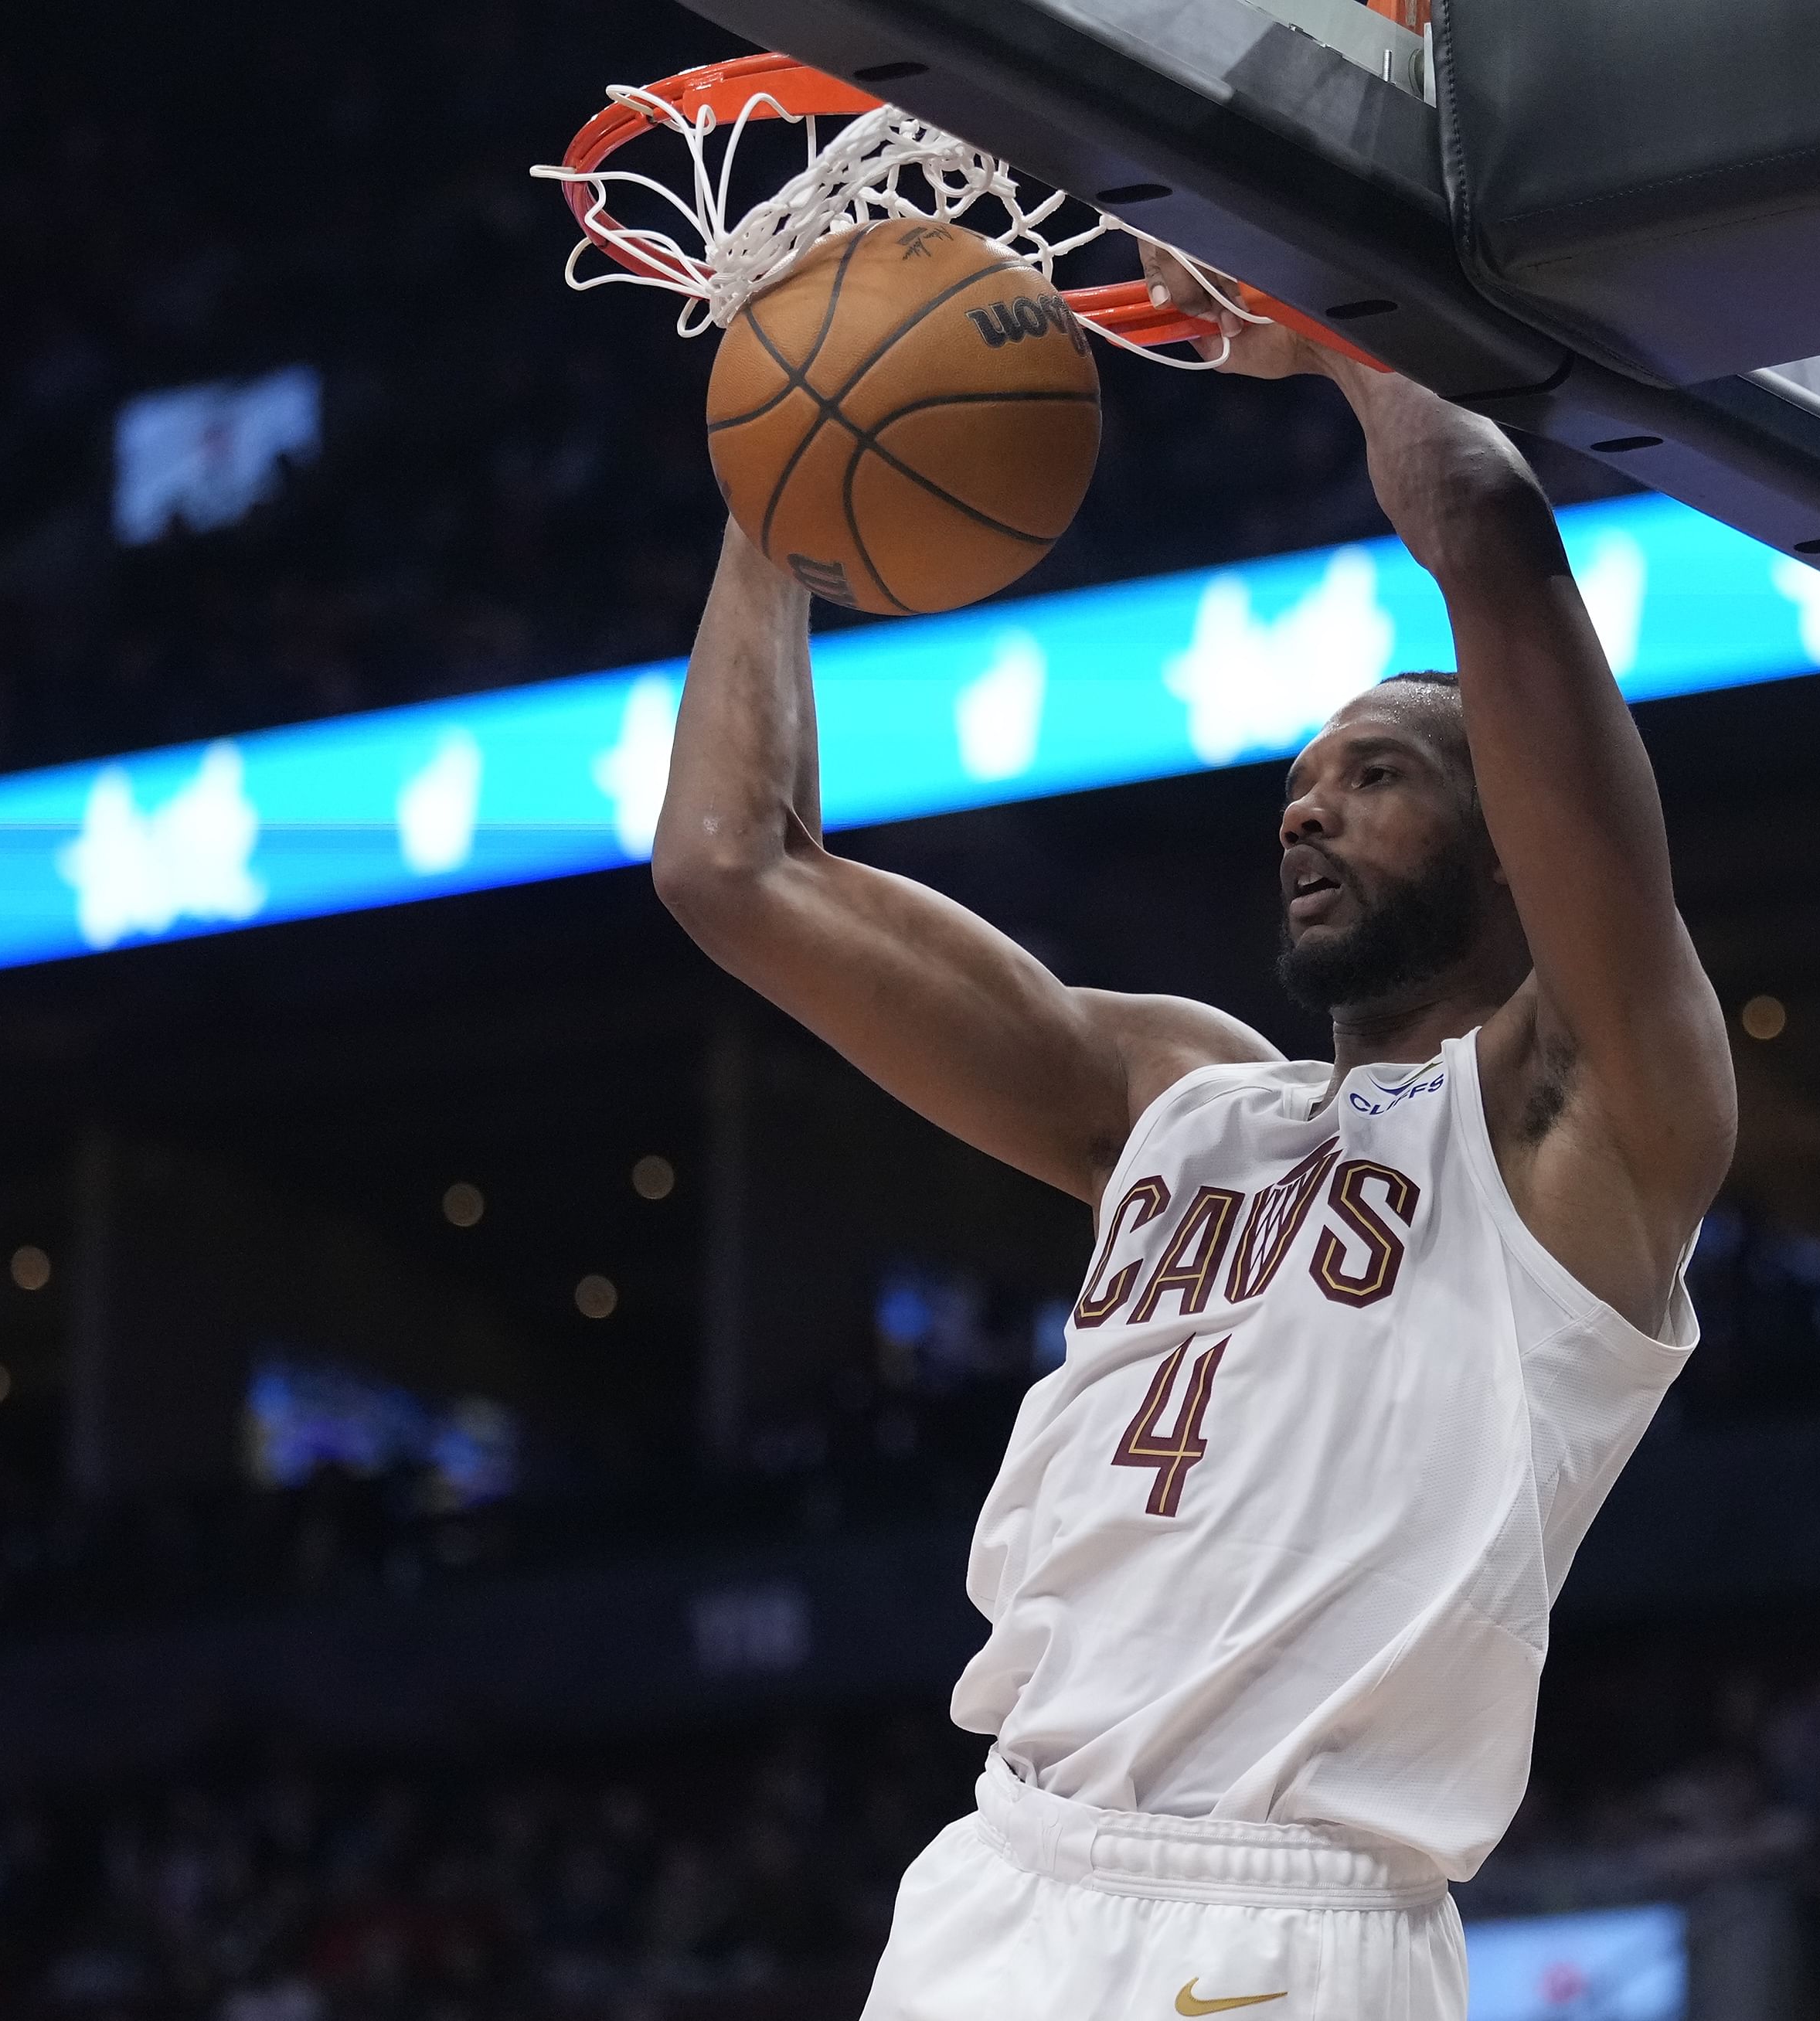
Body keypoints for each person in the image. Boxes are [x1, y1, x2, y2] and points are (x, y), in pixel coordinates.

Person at [651, 248, 1737, 2021]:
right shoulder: (1175, 1096)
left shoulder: (1578, 1134)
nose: (1308, 806)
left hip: (1283, 1920)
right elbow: (729, 865)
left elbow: (1480, 517)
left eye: (1375, 775)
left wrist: (1330, 334)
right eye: (1296, 784)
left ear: (1506, 850)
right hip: (1003, 1878)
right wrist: (778, 474)